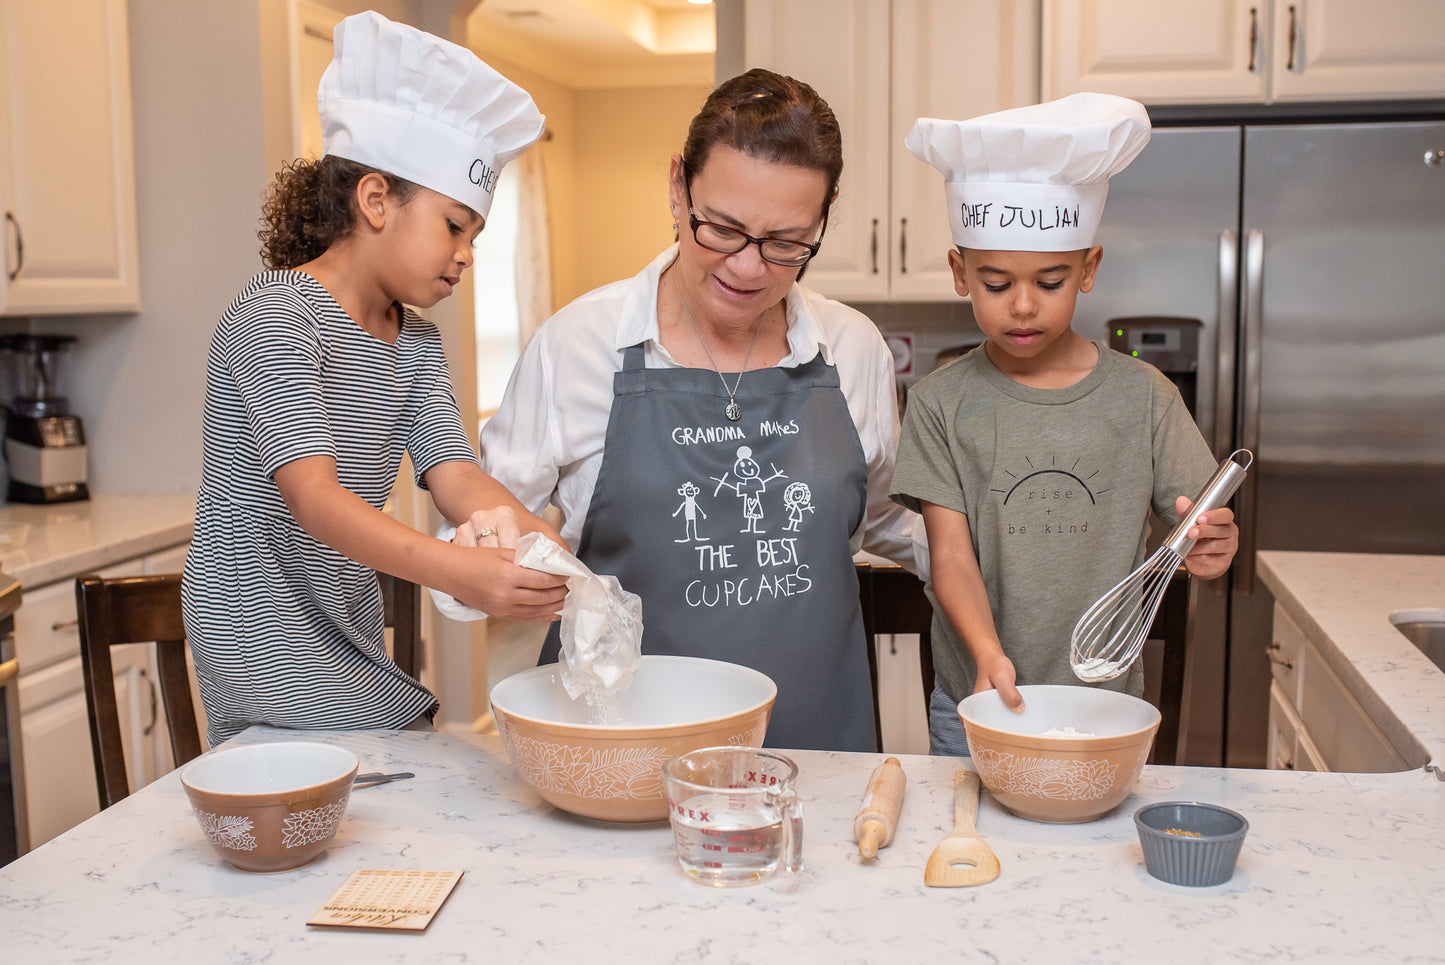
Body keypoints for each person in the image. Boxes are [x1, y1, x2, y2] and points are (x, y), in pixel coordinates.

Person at [449, 68, 920, 752]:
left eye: (786, 242)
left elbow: (880, 515)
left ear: (824, 216)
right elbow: (483, 536)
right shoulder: (577, 345)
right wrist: (482, 569)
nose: (747, 268)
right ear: (677, 186)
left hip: (816, 750)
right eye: (722, 228)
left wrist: (997, 556)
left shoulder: (852, 348)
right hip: (619, 750)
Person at [182, 11, 568, 745]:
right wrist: (456, 570)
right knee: (402, 747)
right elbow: (316, 501)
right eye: (455, 225)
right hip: (262, 626)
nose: (466, 254)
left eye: (476, 236)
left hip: (341, 614)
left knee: (402, 759)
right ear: (375, 200)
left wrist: (551, 554)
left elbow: (454, 473)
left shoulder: (411, 342)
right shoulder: (276, 318)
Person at [890, 93, 1240, 756]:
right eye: (995, 283)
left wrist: (1212, 550)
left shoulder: (1144, 397)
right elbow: (951, 556)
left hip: (1104, 707)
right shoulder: (939, 402)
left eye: (1049, 281)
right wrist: (987, 654)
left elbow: (1197, 538)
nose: (1022, 306)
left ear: (1088, 268)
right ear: (959, 272)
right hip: (977, 701)